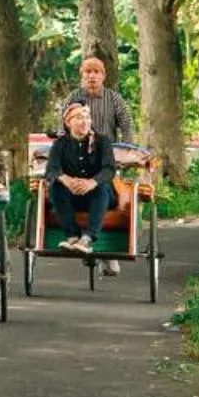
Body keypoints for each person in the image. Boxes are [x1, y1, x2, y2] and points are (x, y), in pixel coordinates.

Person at [66, 54, 140, 274]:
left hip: (107, 159)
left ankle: (109, 253)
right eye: (87, 72)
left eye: (96, 72)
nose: (92, 76)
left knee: (109, 195)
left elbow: (126, 124)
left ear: (103, 76)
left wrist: (127, 150)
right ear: (82, 75)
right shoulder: (73, 98)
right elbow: (63, 127)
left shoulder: (113, 99)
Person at [43, 97, 116, 253]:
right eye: (79, 118)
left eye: (87, 117)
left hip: (99, 196)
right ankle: (72, 236)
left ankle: (87, 238)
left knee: (102, 187)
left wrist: (92, 182)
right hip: (72, 196)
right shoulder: (60, 144)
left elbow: (109, 169)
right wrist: (67, 180)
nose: (85, 122)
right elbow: (51, 170)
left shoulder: (102, 141)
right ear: (68, 122)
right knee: (56, 187)